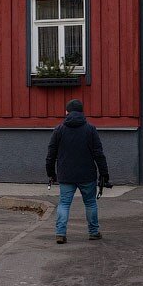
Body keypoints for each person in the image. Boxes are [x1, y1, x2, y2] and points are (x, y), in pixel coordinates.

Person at [46, 98, 110, 244]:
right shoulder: (90, 129)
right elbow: (98, 154)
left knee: (64, 204)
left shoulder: (59, 130)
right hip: (87, 174)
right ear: (82, 112)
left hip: (66, 175)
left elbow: (51, 155)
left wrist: (50, 173)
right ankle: (93, 232)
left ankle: (60, 233)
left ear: (66, 112)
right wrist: (104, 174)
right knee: (90, 203)